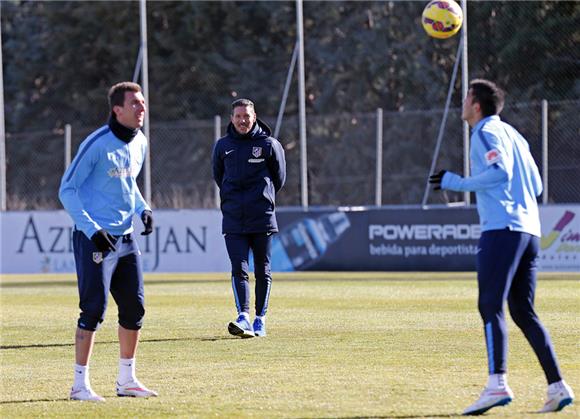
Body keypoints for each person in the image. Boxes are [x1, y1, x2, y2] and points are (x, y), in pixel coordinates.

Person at [429, 79, 574, 415]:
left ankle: (497, 384)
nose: (462, 102)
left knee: (490, 304)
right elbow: (536, 184)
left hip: (502, 229)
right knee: (523, 312)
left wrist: (457, 182)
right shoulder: (515, 135)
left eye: (466, 96)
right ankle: (557, 387)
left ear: (476, 104)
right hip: (529, 231)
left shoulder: (484, 132)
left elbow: (500, 172)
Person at [59, 82, 158, 401]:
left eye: (143, 103)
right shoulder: (97, 144)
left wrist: (143, 209)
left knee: (135, 308)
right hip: (95, 240)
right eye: (135, 104)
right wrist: (91, 230)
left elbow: (129, 184)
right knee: (93, 309)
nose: (141, 108)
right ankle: (79, 386)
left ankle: (127, 380)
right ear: (118, 110)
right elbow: (67, 190)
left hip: (126, 239)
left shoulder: (140, 141)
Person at [212, 98, 286, 338]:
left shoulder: (269, 145)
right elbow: (218, 176)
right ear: (231, 119)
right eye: (238, 116)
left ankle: (259, 320)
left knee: (262, 270)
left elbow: (279, 178)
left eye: (246, 116)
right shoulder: (222, 146)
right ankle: (242, 316)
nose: (242, 121)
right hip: (233, 218)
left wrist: (263, 199)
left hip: (262, 217)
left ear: (254, 117)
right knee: (239, 269)